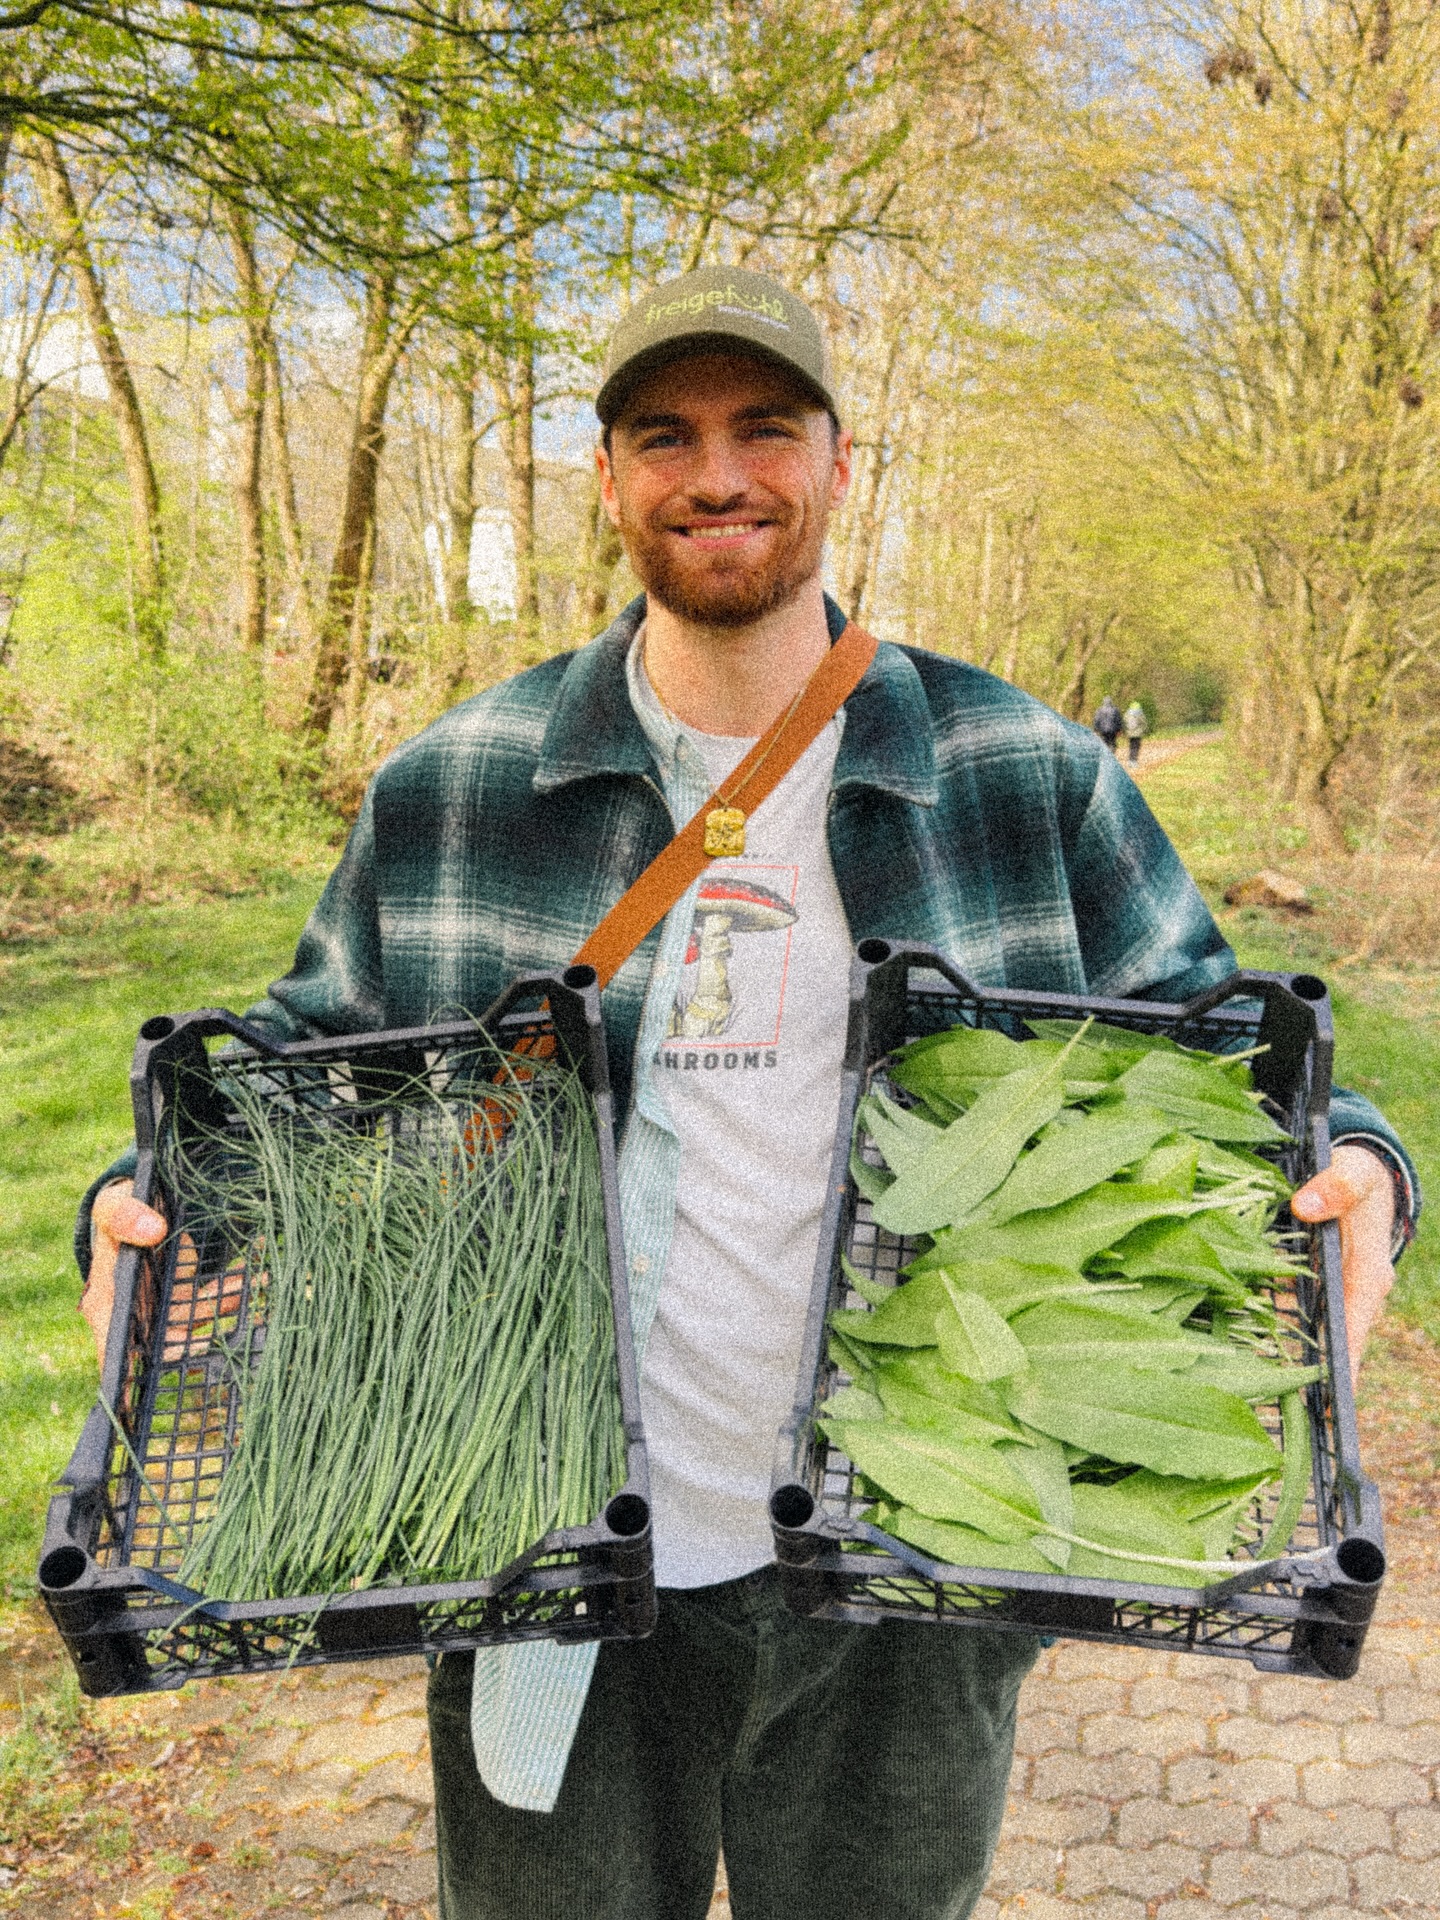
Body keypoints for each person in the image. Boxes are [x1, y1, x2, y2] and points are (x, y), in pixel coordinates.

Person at [78, 268, 1417, 1920]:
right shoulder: (460, 787)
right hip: (551, 1554)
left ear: (839, 463)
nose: (716, 473)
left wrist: (1360, 1163)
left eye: (762, 428)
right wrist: (146, 1208)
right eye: (665, 435)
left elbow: (1227, 1048)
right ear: (610, 481)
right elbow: (290, 1082)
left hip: (904, 1561)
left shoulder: (1019, 770)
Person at [1123, 698, 1148, 764]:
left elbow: (1124, 721)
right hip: (1137, 734)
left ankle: (1130, 760)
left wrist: (1126, 731)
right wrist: (1144, 730)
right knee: (1136, 747)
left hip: (1130, 733)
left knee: (1131, 746)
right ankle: (1134, 760)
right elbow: (1144, 722)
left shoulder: (1127, 714)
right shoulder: (1140, 714)